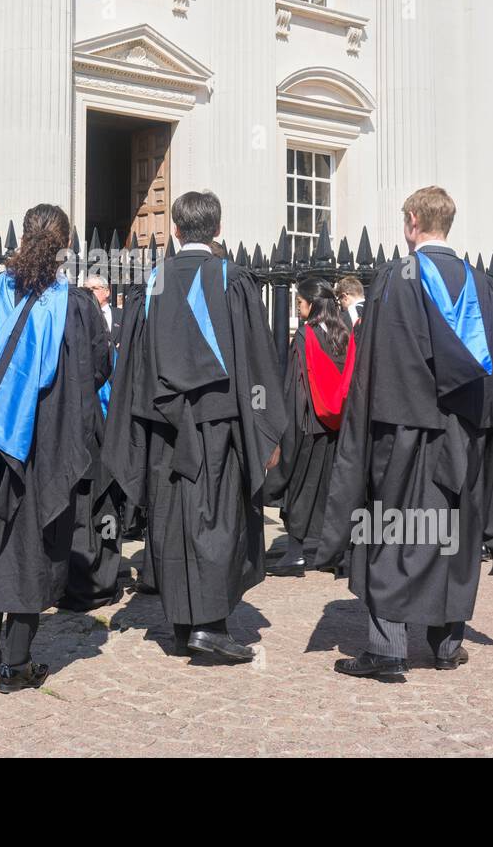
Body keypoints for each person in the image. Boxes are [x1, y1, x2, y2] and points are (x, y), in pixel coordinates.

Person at [317, 186, 493, 679]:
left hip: (404, 433)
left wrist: (363, 430)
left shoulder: (395, 277)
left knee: (393, 532)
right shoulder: (481, 284)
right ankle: (447, 645)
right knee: (453, 535)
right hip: (465, 436)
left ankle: (387, 650)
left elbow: (373, 363)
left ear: (412, 221)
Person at [0, 204, 111, 692]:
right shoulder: (73, 305)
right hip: (43, 444)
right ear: (65, 246)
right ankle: (16, 663)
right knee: (30, 544)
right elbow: (96, 371)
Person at [105, 191, 287, 664]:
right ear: (218, 230)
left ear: (177, 232)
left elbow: (133, 367)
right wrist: (265, 429)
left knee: (172, 522)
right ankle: (210, 626)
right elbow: (257, 361)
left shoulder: (153, 284)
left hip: (166, 430)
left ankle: (184, 624)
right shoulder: (232, 280)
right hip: (219, 428)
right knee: (216, 521)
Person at [263, 276, 354, 577]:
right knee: (333, 488)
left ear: (311, 304)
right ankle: (336, 553)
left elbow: (295, 386)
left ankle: (295, 554)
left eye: (300, 302)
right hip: (337, 425)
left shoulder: (305, 336)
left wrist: (286, 429)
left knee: (301, 489)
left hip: (310, 423)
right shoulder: (344, 332)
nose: (298, 307)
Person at [59, 273, 126, 612]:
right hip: (93, 422)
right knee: (99, 506)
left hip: (65, 425)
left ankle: (75, 581)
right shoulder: (87, 311)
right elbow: (104, 366)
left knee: (76, 507)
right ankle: (97, 582)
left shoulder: (56, 308)